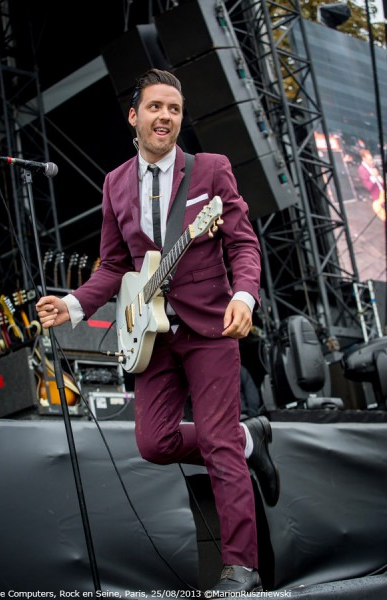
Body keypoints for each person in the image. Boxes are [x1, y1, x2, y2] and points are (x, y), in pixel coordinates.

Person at [35, 68, 280, 594]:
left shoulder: (210, 170)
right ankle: (245, 439)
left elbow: (241, 242)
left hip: (210, 325)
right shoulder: (114, 182)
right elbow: (114, 265)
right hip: (149, 334)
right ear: (134, 115)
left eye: (173, 108)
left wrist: (243, 295)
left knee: (214, 441)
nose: (164, 116)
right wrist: (73, 304)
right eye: (154, 107)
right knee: (154, 442)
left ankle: (242, 566)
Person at [357, 148, 386, 222]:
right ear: (364, 159)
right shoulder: (362, 169)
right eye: (369, 160)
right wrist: (374, 176)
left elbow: (380, 183)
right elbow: (368, 186)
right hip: (377, 198)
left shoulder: (372, 167)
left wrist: (381, 180)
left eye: (371, 159)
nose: (371, 161)